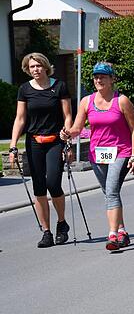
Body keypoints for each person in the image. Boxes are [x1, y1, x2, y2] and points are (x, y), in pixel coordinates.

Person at [61, 62, 134, 251]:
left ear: (112, 79)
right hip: (97, 154)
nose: (98, 80)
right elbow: (78, 128)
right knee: (109, 192)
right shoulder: (86, 101)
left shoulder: (121, 101)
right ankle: (122, 231)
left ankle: (112, 235)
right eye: (96, 77)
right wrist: (67, 133)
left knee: (112, 191)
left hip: (120, 151)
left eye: (103, 76)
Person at [9, 53, 73, 248]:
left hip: (55, 141)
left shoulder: (59, 86)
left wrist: (67, 137)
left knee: (53, 183)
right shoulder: (25, 90)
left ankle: (61, 223)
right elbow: (20, 119)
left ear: (45, 67)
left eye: (38, 66)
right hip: (34, 142)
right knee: (39, 188)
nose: (35, 69)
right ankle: (46, 232)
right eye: (31, 67)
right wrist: (13, 146)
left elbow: (68, 115)